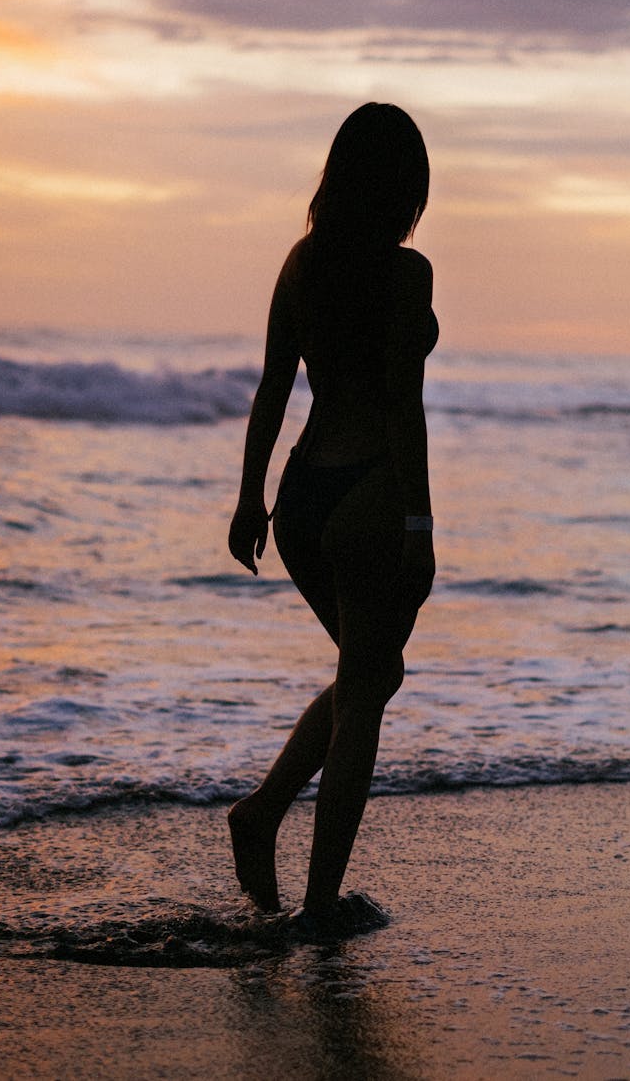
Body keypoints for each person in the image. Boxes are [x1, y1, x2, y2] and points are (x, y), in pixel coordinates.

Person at [226, 102, 437, 934]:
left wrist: (251, 498)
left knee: (367, 676)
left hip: (302, 501)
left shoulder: (302, 262)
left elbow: (274, 385)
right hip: (369, 495)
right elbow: (402, 408)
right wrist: (420, 527)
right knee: (367, 688)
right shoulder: (406, 273)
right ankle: (316, 904)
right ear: (404, 187)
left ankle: (260, 814)